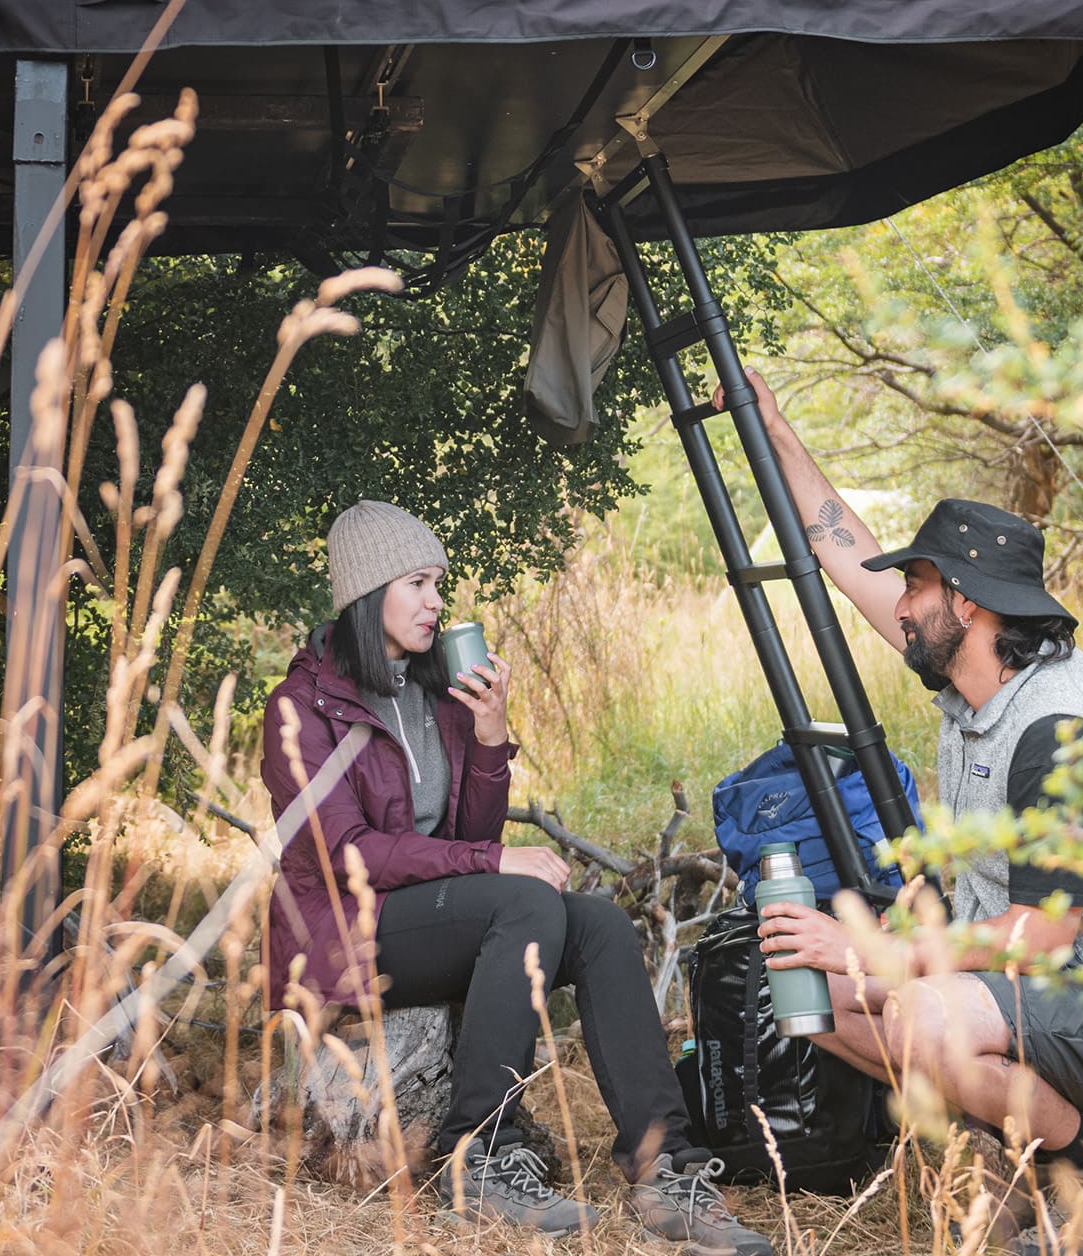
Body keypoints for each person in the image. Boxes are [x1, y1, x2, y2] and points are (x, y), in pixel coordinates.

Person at [734, 369, 1083, 1243]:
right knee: (820, 1001)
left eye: (915, 587)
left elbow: (1042, 936)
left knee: (918, 1008)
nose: (902, 607)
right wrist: (773, 432)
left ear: (965, 602)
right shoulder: (973, 672)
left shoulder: (1061, 736)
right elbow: (847, 558)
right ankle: (1016, 1151)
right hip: (1047, 993)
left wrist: (874, 947)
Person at [261, 501, 772, 1252]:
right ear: (368, 595)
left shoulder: (434, 692)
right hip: (348, 938)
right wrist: (489, 863)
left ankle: (666, 1167)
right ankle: (482, 1157)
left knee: (595, 924)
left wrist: (491, 741)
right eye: (418, 583)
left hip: (434, 923)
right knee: (525, 899)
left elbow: (472, 839)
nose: (438, 601)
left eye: (440, 582)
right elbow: (349, 855)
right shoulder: (302, 710)